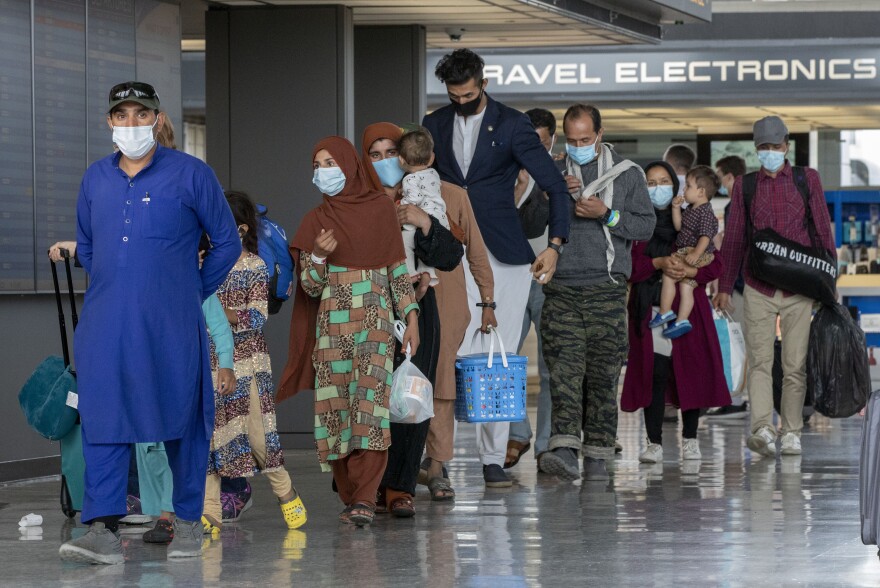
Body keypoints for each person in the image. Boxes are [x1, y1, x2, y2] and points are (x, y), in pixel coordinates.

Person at [58, 81, 240, 564]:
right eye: (122, 116)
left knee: (183, 418)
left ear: (158, 120)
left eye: (142, 115)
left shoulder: (191, 174)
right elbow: (90, 246)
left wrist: (190, 290)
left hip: (172, 324)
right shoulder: (95, 179)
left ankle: (185, 523)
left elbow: (227, 243)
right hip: (105, 325)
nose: (132, 125)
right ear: (109, 121)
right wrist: (116, 291)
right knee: (104, 420)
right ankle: (100, 529)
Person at [423, 48, 570, 488]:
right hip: (449, 251)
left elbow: (555, 186)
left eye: (469, 94)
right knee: (443, 352)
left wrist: (556, 245)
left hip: (506, 257)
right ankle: (438, 459)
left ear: (483, 83)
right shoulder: (434, 124)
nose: (462, 102)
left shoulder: (512, 124)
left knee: (497, 359)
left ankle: (492, 460)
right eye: (454, 96)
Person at [278, 136, 420, 527]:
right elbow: (308, 286)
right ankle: (350, 494)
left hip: (374, 329)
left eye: (330, 163)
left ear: (350, 165)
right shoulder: (315, 220)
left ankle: (364, 496)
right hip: (330, 333)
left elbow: (396, 269)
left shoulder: (378, 209)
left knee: (369, 413)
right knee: (335, 413)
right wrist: (320, 255)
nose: (323, 171)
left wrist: (412, 318)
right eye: (317, 164)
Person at [360, 122, 476, 511]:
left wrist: (424, 222)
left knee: (411, 398)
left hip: (420, 307)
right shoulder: (358, 200)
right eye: (374, 156)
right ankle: (368, 486)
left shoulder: (433, 195)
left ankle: (401, 487)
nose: (385, 162)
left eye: (391, 153)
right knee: (371, 400)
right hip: (370, 307)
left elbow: (450, 255)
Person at [539, 104, 655, 482]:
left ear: (600, 135)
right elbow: (528, 220)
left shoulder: (629, 175)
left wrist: (607, 214)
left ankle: (599, 453)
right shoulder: (553, 172)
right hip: (562, 290)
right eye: (572, 141)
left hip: (606, 290)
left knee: (603, 377)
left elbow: (644, 228)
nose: (579, 147)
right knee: (565, 374)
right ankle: (565, 449)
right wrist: (553, 193)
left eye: (585, 140)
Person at [713, 116, 835, 458]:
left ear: (786, 146)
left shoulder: (806, 179)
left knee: (795, 365)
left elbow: (823, 232)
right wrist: (725, 285)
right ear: (756, 150)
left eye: (775, 147)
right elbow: (735, 237)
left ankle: (792, 431)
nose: (769, 153)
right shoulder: (745, 186)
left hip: (799, 289)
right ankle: (762, 429)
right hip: (758, 287)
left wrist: (829, 282)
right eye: (763, 148)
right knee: (761, 362)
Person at [202, 191, 307, 534]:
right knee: (211, 436)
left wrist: (224, 314)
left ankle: (285, 491)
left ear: (241, 228)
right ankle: (210, 511)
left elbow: (259, 315)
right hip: (209, 361)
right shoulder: (200, 265)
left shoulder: (254, 266)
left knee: (259, 437)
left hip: (249, 365)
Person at [621, 161, 730, 464]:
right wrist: (658, 263)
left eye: (664, 181)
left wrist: (690, 269)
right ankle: (654, 442)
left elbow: (716, 264)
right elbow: (627, 267)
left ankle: (690, 439)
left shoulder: (694, 219)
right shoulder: (637, 225)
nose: (658, 188)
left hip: (688, 311)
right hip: (649, 310)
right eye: (651, 183)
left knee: (690, 373)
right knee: (654, 375)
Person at [506, 107, 556, 472]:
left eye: (539, 141)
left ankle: (547, 445)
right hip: (510, 276)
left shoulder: (562, 175)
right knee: (504, 359)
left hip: (549, 279)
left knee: (552, 365)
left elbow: (545, 220)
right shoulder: (505, 173)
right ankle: (517, 433)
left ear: (552, 140)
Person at [649, 166, 720, 339]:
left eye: (687, 186)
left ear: (701, 191)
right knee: (685, 286)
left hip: (694, 253)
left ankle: (666, 312)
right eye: (650, 183)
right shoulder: (690, 209)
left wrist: (695, 255)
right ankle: (681, 320)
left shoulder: (705, 212)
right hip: (689, 251)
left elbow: (705, 236)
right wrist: (675, 208)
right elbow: (679, 227)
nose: (684, 190)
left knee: (669, 276)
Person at [704, 155, 750, 420]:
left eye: (720, 177)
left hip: (739, 285)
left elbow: (733, 248)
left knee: (736, 341)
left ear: (730, 177)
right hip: (749, 283)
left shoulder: (737, 205)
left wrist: (725, 285)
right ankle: (738, 397)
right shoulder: (749, 202)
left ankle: (735, 399)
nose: (719, 182)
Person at [398, 127, 450, 296]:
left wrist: (402, 203)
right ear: (431, 158)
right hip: (439, 219)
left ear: (401, 160)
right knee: (425, 246)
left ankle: (411, 272)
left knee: (406, 239)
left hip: (423, 216)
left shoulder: (409, 179)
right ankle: (427, 272)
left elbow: (414, 199)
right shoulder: (433, 173)